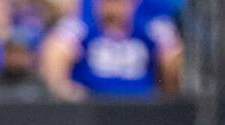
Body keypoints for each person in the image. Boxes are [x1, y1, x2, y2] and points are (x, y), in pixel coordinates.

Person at [39, 0, 181, 101]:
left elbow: (172, 54)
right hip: (91, 104)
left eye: (119, 2)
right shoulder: (83, 19)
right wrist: (63, 88)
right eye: (107, 2)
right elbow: (56, 47)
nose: (113, 9)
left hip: (143, 102)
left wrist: (168, 97)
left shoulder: (150, 20)